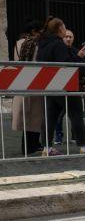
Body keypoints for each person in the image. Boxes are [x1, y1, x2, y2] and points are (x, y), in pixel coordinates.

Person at [35, 18, 85, 155]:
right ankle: (83, 146)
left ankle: (47, 147)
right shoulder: (58, 44)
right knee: (76, 114)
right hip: (64, 84)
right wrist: (78, 56)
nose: (65, 29)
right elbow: (66, 64)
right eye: (64, 27)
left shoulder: (43, 44)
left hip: (49, 85)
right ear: (59, 29)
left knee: (50, 116)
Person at [11, 20, 45, 155]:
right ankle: (31, 145)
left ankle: (28, 145)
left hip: (21, 80)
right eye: (39, 31)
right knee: (35, 115)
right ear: (33, 31)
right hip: (34, 81)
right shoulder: (36, 44)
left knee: (27, 115)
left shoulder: (18, 43)